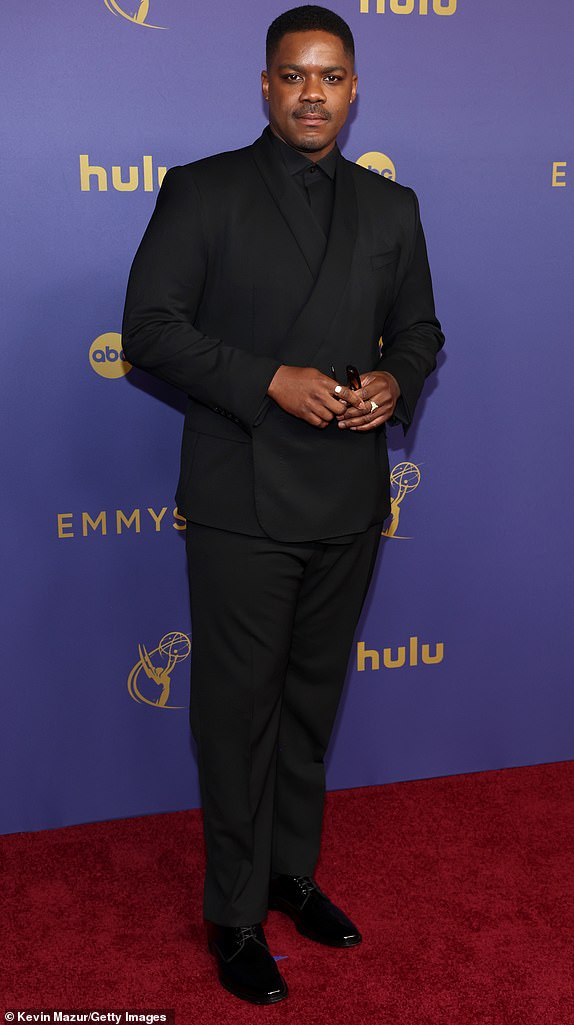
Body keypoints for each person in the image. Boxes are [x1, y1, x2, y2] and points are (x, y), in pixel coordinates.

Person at [122, 4, 444, 1005]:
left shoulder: (392, 209)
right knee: (236, 715)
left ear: (353, 91)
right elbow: (149, 329)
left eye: (331, 76)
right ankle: (231, 910)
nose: (313, 92)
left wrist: (394, 381)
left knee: (309, 704)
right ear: (265, 87)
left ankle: (288, 874)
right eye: (294, 75)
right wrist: (269, 378)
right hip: (239, 500)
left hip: (348, 496)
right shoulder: (203, 191)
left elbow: (422, 332)